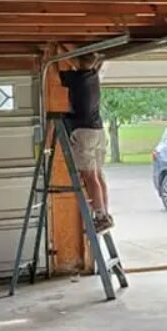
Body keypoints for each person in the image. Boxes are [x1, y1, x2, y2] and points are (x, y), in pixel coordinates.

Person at [58, 51, 113, 232]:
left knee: (90, 177)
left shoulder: (78, 78)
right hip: (97, 130)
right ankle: (104, 213)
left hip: (84, 132)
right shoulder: (94, 77)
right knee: (97, 174)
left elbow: (55, 68)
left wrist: (62, 52)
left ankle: (100, 216)